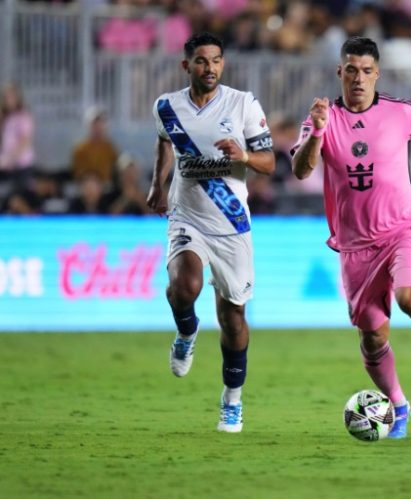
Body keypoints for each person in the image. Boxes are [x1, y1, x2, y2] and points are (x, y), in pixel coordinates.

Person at [291, 36, 411, 439]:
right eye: (351, 70)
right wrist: (316, 132)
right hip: (354, 246)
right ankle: (399, 406)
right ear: (339, 72)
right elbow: (301, 170)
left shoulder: (400, 112)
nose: (359, 78)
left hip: (402, 229)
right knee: (372, 337)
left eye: (367, 71)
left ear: (377, 74)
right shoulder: (321, 118)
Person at [147, 32, 275, 433]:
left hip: (232, 224)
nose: (211, 68)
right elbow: (165, 141)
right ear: (187, 66)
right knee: (184, 285)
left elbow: (270, 162)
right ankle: (186, 330)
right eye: (202, 61)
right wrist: (157, 183)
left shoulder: (243, 104)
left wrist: (245, 156)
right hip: (188, 216)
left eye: (216, 60)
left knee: (233, 315)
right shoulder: (166, 106)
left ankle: (232, 399)